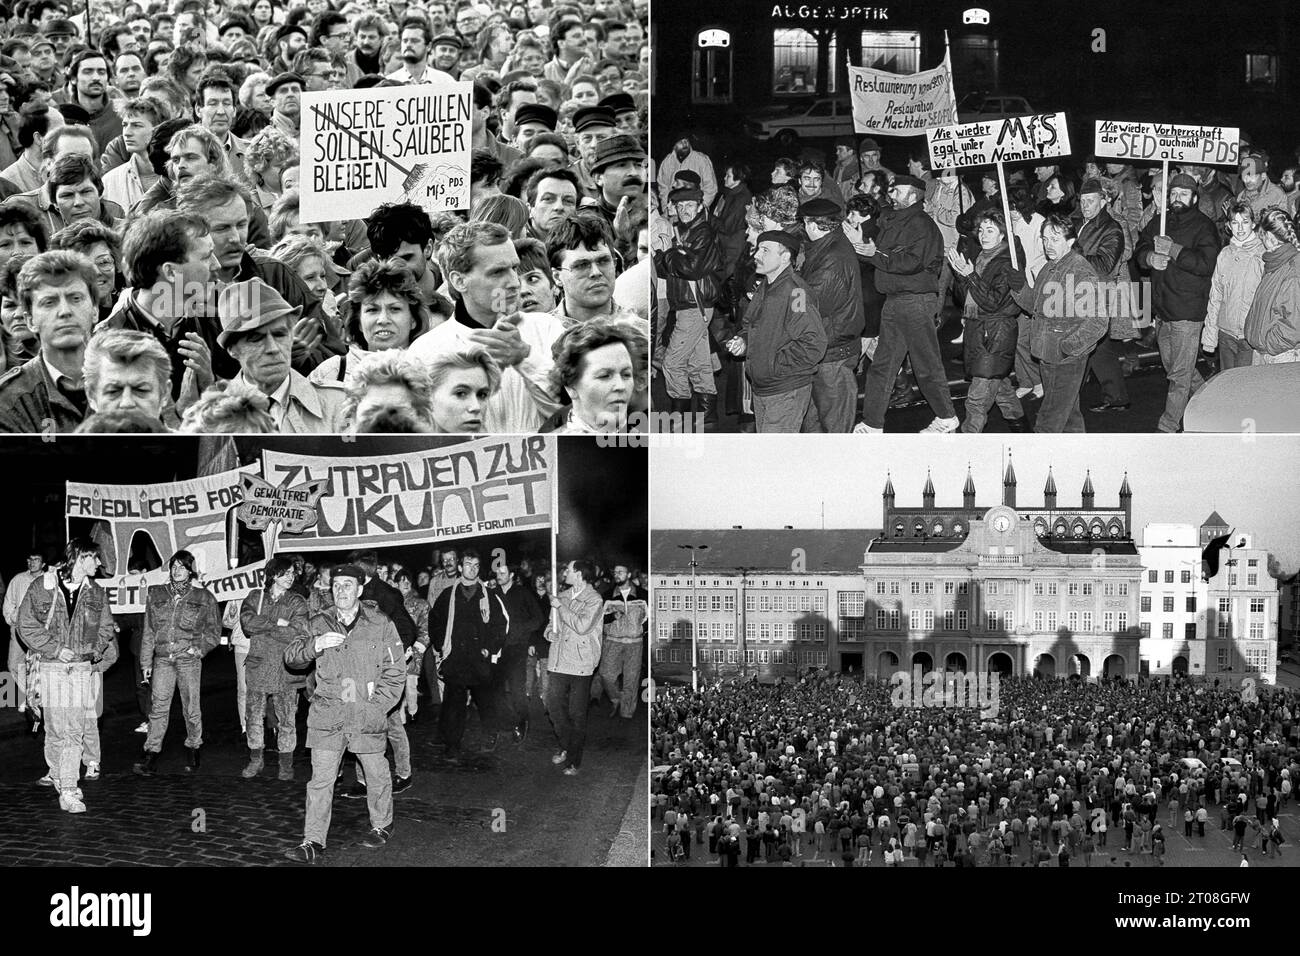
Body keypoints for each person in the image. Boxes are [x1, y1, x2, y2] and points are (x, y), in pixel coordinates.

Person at [283, 564, 405, 862]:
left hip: (366, 712)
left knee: (376, 773)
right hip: (329, 713)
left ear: (360, 590)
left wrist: (377, 707)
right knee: (320, 780)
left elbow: (396, 671)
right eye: (336, 585)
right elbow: (291, 657)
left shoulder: (380, 623)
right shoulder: (317, 623)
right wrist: (316, 645)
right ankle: (312, 840)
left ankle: (381, 824)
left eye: (348, 585)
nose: (341, 591)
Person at [407, 221, 566, 432]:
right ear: (459, 281)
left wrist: (526, 359)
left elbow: (577, 412)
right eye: (497, 272)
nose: (514, 282)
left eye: (514, 268)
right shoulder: (426, 352)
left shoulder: (548, 330)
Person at [17, 538, 116, 813]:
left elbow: (107, 627)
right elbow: (24, 624)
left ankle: (69, 788)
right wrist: (55, 649)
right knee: (55, 729)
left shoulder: (96, 592)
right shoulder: (44, 586)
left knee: (74, 728)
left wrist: (91, 652)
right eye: (94, 558)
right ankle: (59, 774)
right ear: (80, 558)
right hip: (52, 667)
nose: (99, 563)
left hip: (81, 668)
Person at [855, 175, 957, 433]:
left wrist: (874, 254)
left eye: (898, 191)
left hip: (915, 302)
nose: (892, 194)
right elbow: (881, 255)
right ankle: (872, 424)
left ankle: (947, 417)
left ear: (913, 196)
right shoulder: (894, 220)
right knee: (882, 366)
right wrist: (865, 246)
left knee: (926, 365)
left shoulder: (922, 225)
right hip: (894, 301)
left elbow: (911, 262)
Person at [1134, 172, 1221, 432]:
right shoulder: (1159, 222)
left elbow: (1206, 264)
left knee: (1179, 377)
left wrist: (1172, 250)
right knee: (1176, 367)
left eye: (1183, 194)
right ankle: (1212, 402)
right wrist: (1149, 258)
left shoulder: (1204, 226)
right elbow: (1140, 247)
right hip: (1163, 310)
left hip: (1188, 312)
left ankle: (1168, 427)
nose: (1177, 198)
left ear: (1194, 197)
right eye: (1173, 193)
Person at [1011, 214, 1108, 432]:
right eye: (1044, 239)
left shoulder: (1079, 271)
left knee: (1049, 418)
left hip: (1065, 359)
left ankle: (1039, 461)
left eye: (1054, 239)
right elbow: (1035, 306)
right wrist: (1019, 287)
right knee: (1069, 415)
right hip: (1048, 353)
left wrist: (1069, 347)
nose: (1048, 245)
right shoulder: (1049, 267)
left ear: (1070, 241)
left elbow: (1098, 321)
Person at [215, 278, 347, 433]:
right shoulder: (214, 418)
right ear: (232, 349)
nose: (273, 348)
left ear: (292, 336)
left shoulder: (340, 403)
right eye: (256, 338)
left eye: (279, 334)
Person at [724, 230, 825, 432]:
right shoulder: (766, 285)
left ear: (785, 256)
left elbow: (813, 342)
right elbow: (751, 324)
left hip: (784, 390)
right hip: (764, 388)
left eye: (765, 251)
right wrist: (744, 341)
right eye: (758, 249)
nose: (756, 256)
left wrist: (775, 366)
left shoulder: (796, 292)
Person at [132, 550, 220, 775]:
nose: (177, 570)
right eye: (174, 566)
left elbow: (213, 631)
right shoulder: (156, 594)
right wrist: (145, 663)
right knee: (158, 706)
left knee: (191, 706)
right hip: (162, 659)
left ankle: (193, 745)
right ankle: (151, 752)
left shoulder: (204, 597)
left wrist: (199, 649)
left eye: (182, 567)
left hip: (188, 660)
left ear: (190, 571)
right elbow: (149, 631)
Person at [946, 211, 1027, 432]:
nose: (983, 235)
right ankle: (1022, 430)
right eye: (981, 230)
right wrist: (962, 276)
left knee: (977, 399)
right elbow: (965, 298)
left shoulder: (1008, 263)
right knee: (1001, 387)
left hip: (995, 333)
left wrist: (970, 275)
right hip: (980, 330)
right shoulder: (983, 257)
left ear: (1003, 235)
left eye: (990, 230)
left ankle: (969, 443)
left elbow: (993, 302)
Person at [0, 250, 98, 433]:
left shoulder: (132, 376)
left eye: (75, 298)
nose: (64, 311)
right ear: (30, 320)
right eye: (49, 302)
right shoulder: (9, 399)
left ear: (95, 310)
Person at [428, 550, 507, 758]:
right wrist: (441, 645)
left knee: (485, 701)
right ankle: (452, 744)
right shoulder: (448, 596)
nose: (472, 568)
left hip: (479, 660)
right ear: (460, 568)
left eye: (476, 565)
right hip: (455, 659)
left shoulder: (488, 595)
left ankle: (491, 733)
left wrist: (489, 647)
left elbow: (501, 625)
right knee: (454, 703)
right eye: (468, 564)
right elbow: (434, 621)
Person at [654, 184, 722, 422]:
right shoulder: (684, 232)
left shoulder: (702, 232)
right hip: (689, 305)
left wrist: (668, 255)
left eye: (689, 205)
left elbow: (691, 268)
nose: (684, 210)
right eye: (679, 205)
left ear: (700, 206)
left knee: (672, 364)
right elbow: (664, 269)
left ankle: (678, 417)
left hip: (695, 305)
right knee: (698, 362)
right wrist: (673, 258)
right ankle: (707, 415)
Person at [797, 197, 864, 433]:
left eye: (804, 224)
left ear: (813, 226)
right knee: (814, 421)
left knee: (836, 425)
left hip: (833, 352)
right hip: (824, 349)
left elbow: (808, 302)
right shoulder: (826, 247)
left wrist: (782, 300)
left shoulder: (833, 257)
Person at [239, 554, 308, 782]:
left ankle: (285, 763)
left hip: (285, 668)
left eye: (292, 573)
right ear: (273, 575)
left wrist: (265, 626)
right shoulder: (255, 597)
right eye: (286, 573)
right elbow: (248, 625)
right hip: (258, 666)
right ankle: (255, 759)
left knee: (287, 717)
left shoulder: (297, 601)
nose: (291, 577)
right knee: (254, 716)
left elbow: (298, 632)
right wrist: (277, 622)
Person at [1073, 178, 1133, 415]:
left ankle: (1069, 396)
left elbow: (1104, 266)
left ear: (1103, 201)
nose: (1085, 205)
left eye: (1091, 201)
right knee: (1098, 349)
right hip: (1082, 293)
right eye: (1082, 201)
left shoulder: (1112, 228)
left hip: (1098, 295)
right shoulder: (1082, 223)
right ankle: (1116, 397)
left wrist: (1074, 253)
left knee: (1089, 346)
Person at [544, 558, 603, 776]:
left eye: (568, 570)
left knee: (576, 713)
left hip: (581, 662)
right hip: (559, 660)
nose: (564, 573)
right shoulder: (562, 596)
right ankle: (566, 745)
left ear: (579, 574)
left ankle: (574, 759)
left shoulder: (594, 599)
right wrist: (549, 633)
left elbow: (582, 626)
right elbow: (551, 624)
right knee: (553, 706)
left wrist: (561, 607)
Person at [1203, 202, 1264, 370]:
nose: (1240, 228)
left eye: (1244, 222)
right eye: (1235, 223)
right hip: (1226, 333)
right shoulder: (1224, 255)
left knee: (1245, 388)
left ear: (1253, 223)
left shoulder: (1262, 254)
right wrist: (1210, 335)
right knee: (1227, 385)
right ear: (1229, 226)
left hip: (1250, 336)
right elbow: (1216, 296)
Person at [490, 562, 543, 742]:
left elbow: (538, 618)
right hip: (498, 649)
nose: (499, 575)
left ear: (511, 575)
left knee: (516, 688)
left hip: (517, 647)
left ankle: (522, 721)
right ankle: (507, 721)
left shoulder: (522, 593)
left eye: (503, 572)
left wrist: (521, 630)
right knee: (495, 688)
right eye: (497, 573)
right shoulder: (493, 593)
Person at [1243, 207, 1300, 364]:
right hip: (1268, 352)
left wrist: (1267, 344)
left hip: (1280, 356)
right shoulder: (1275, 263)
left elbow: (1294, 326)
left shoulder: (1292, 272)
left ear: (1269, 236)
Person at [597, 564, 647, 719]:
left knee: (631, 679)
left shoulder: (642, 594)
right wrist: (612, 616)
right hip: (613, 641)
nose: (617, 575)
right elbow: (598, 618)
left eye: (620, 572)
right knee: (606, 674)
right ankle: (615, 697)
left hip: (635, 642)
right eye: (615, 572)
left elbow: (649, 617)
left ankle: (626, 714)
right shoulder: (607, 595)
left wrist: (642, 628)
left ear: (629, 574)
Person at [4, 551, 45, 725]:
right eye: (29, 559)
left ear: (43, 563)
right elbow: (9, 602)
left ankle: (37, 699)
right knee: (14, 664)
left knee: (38, 665)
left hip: (41, 630)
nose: (31, 562)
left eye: (36, 559)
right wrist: (12, 618)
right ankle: (28, 696)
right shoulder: (18, 579)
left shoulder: (50, 579)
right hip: (19, 629)